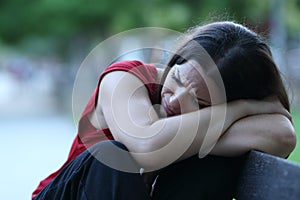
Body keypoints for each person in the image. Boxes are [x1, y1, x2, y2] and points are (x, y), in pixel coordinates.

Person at [32, 21, 296, 200]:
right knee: (113, 156)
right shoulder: (127, 78)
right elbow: (147, 145)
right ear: (176, 59)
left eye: (199, 101)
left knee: (209, 167)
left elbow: (283, 136)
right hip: (66, 194)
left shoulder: (213, 118)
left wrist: (195, 141)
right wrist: (243, 108)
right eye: (178, 78)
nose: (175, 100)